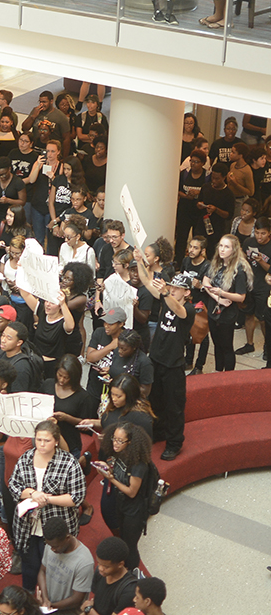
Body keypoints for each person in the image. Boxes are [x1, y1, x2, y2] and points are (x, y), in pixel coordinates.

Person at [9, 420, 86, 591]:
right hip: (27, 525)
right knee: (29, 567)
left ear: (56, 441)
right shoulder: (26, 458)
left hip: (55, 524)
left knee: (54, 569)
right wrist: (33, 494)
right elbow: (14, 486)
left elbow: (77, 497)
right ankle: (28, 599)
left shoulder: (68, 463)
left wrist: (47, 499)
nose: (42, 444)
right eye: (38, 440)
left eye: (47, 440)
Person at [143, 272, 194, 461]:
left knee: (175, 407)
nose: (173, 290)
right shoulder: (166, 298)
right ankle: (159, 432)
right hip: (156, 359)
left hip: (173, 365)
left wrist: (165, 293)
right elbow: (147, 283)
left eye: (177, 288)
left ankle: (174, 443)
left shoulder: (189, 309)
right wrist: (140, 261)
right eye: (171, 287)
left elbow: (178, 311)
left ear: (187, 292)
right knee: (155, 401)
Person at [94, 423, 153, 571]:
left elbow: (132, 491)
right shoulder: (119, 453)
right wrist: (106, 467)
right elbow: (115, 468)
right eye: (114, 438)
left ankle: (132, 571)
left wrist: (111, 479)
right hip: (121, 504)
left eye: (120, 441)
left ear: (130, 442)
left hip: (134, 511)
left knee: (129, 545)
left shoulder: (138, 464)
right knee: (122, 539)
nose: (115, 443)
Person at [200, 235, 252, 371]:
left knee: (226, 346)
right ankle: (218, 372)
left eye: (226, 247)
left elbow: (241, 297)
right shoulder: (215, 263)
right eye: (221, 246)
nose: (222, 250)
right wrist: (218, 297)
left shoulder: (239, 271)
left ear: (234, 250)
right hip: (213, 309)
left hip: (227, 314)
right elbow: (205, 282)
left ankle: (228, 377)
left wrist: (223, 294)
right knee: (216, 344)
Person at [35, 517, 94, 614]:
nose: (52, 549)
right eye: (50, 546)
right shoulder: (51, 545)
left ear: (67, 538)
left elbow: (76, 599)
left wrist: (51, 606)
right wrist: (45, 600)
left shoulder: (84, 562)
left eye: (56, 546)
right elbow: (42, 571)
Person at [80, 538, 138, 615]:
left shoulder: (129, 591)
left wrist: (89, 610)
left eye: (106, 567)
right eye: (98, 563)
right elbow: (94, 599)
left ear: (120, 564)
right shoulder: (100, 572)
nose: (100, 568)